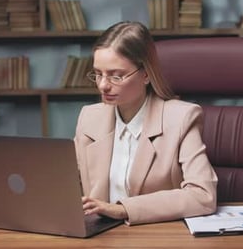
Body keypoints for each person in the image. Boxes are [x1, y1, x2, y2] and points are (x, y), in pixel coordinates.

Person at [74, 21, 217, 225]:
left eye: (116, 76)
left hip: (158, 237)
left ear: (146, 74)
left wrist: (123, 209)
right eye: (98, 74)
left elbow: (204, 196)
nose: (103, 86)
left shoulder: (182, 118)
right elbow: (67, 183)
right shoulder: (89, 117)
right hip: (100, 238)